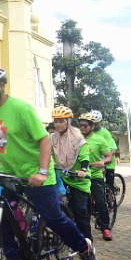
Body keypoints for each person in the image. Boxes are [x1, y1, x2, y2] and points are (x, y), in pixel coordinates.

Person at [0, 66, 100, 260]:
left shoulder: (21, 108)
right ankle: (13, 258)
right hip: (9, 172)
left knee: (53, 217)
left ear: (1, 86)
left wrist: (41, 172)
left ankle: (84, 248)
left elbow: (43, 141)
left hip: (36, 173)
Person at [50, 105, 93, 244]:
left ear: (68, 121)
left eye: (61, 121)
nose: (58, 124)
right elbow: (47, 154)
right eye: (56, 121)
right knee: (57, 209)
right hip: (61, 176)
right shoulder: (52, 138)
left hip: (78, 178)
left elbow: (84, 156)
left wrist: (84, 170)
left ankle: (87, 242)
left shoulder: (77, 137)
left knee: (80, 212)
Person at [78, 111, 116, 241]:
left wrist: (103, 162)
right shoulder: (76, 138)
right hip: (80, 177)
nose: (82, 128)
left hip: (94, 176)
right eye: (80, 125)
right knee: (82, 207)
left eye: (85, 126)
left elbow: (109, 156)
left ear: (92, 126)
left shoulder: (99, 140)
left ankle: (106, 227)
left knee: (101, 202)